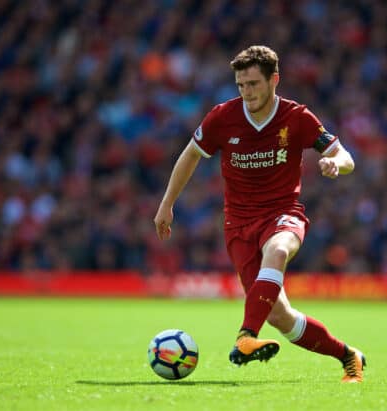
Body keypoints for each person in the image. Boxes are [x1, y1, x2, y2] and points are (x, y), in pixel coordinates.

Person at [154, 45, 366, 383]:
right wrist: (167, 203)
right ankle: (348, 355)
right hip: (238, 225)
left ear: (274, 80)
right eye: (241, 85)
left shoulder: (297, 118)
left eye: (253, 84)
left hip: (283, 214)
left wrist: (334, 163)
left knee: (278, 249)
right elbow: (191, 154)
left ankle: (245, 335)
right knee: (280, 317)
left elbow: (346, 156)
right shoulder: (223, 117)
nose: (247, 92)